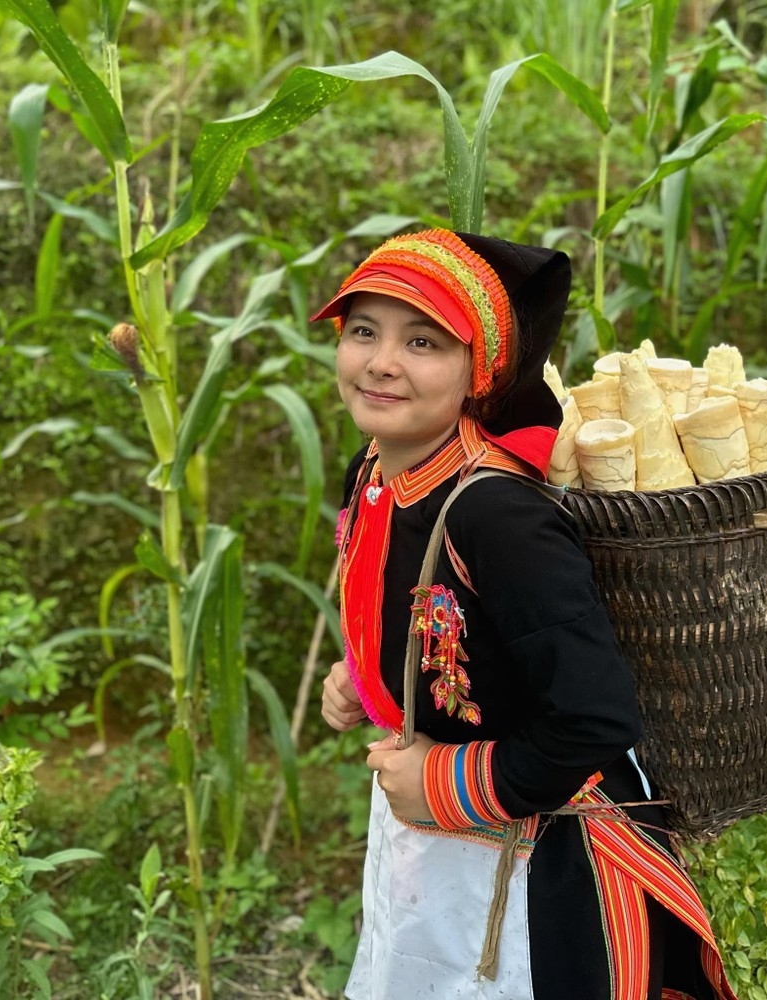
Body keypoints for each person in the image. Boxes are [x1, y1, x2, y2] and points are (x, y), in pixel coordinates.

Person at [316, 229, 737, 1000]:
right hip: (433, 843)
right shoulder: (374, 468)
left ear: (480, 370)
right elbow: (431, 617)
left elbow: (595, 720)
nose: (380, 361)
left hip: (539, 860)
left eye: (422, 341)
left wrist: (443, 782)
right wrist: (366, 674)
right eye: (363, 331)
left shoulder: (499, 517)